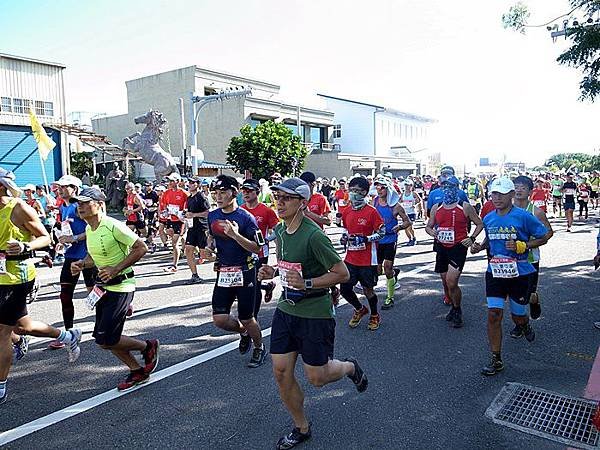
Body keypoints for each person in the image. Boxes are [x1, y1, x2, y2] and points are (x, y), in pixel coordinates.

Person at [257, 178, 367, 450]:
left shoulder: (314, 235)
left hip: (315, 313)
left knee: (317, 378)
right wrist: (272, 273)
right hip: (286, 310)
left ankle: (349, 367)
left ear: (302, 203)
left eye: (286, 198)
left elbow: (342, 274)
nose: (279, 203)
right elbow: (289, 267)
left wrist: (306, 284)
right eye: (277, 197)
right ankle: (301, 427)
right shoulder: (282, 231)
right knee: (281, 372)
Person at [0, 167, 82, 405]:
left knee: (3, 331)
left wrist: (26, 247)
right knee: (23, 327)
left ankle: (1, 386)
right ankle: (67, 336)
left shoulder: (18, 208)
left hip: (16, 276)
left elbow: (45, 237)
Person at [70, 187, 159, 390]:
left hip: (122, 286)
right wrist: (82, 264)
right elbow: (95, 257)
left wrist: (116, 268)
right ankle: (137, 370)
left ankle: (147, 347)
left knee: (107, 339)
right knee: (103, 340)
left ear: (99, 204)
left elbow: (141, 248)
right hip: (103, 287)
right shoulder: (89, 228)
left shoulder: (113, 226)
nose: (80, 206)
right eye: (79, 203)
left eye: (85, 202)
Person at [471, 177, 549, 376]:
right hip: (495, 272)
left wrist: (524, 245)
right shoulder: (488, 218)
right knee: (494, 314)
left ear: (511, 195)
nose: (495, 197)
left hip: (520, 273)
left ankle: (524, 324)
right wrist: (479, 247)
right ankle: (496, 359)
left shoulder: (524, 216)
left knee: (518, 316)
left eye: (500, 193)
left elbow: (544, 235)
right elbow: (489, 240)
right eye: (493, 193)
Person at [207, 175, 266, 368]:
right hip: (224, 272)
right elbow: (212, 236)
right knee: (220, 319)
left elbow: (257, 248)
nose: (218, 196)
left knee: (248, 317)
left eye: (223, 192)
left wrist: (235, 235)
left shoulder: (246, 218)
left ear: (234, 192)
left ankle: (259, 347)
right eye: (216, 193)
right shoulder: (212, 215)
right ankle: (243, 332)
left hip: (245, 270)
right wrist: (209, 247)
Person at [45, 175, 98, 349]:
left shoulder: (79, 207)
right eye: (58, 187)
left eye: (63, 187)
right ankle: (68, 334)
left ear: (74, 188)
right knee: (65, 295)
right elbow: (65, 228)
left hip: (87, 256)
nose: (59, 189)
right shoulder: (63, 207)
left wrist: (74, 238)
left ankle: (104, 323)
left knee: (93, 294)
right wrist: (61, 239)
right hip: (71, 256)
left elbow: (92, 229)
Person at [425, 176, 483, 328]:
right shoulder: (436, 207)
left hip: (458, 247)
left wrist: (471, 238)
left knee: (452, 281)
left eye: (451, 186)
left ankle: (457, 310)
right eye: (444, 186)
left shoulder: (465, 206)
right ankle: (453, 306)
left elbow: (479, 223)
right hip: (441, 247)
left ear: (457, 188)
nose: (447, 189)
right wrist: (432, 233)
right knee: (445, 281)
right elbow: (428, 226)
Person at [339, 177, 385, 330]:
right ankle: (359, 309)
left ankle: (374, 314)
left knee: (368, 290)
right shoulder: (347, 211)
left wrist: (365, 239)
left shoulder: (372, 212)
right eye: (351, 190)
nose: (353, 194)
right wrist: (344, 237)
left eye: (357, 191)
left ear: (365, 193)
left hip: (367, 259)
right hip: (350, 257)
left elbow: (382, 233)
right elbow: (346, 229)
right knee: (344, 288)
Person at [512, 176, 553, 321]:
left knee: (528, 294)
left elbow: (549, 232)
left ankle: (534, 301)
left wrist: (529, 244)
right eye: (516, 187)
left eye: (523, 188)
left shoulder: (536, 212)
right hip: (509, 258)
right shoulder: (505, 209)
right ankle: (521, 324)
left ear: (530, 191)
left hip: (530, 258)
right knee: (515, 293)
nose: (519, 190)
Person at [372, 176, 412, 309]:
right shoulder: (375, 202)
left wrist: (400, 227)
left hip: (390, 239)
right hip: (377, 240)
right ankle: (394, 273)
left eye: (382, 187)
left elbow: (408, 221)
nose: (379, 189)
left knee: (387, 267)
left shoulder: (396, 206)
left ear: (388, 189)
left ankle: (390, 297)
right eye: (377, 187)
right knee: (377, 271)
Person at [240, 178, 279, 309]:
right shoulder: (240, 210)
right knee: (244, 283)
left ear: (257, 192)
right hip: (243, 253)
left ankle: (253, 317)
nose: (246, 193)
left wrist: (267, 239)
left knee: (255, 286)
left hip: (260, 253)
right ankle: (267, 286)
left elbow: (278, 230)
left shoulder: (266, 211)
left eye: (249, 191)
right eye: (244, 191)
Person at [184, 177, 210, 284]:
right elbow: (189, 212)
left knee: (205, 255)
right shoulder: (189, 198)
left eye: (192, 183)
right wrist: (186, 214)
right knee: (188, 250)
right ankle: (194, 275)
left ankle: (223, 260)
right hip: (192, 228)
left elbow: (208, 212)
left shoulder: (201, 196)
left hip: (202, 227)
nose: (190, 185)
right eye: (189, 183)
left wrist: (194, 215)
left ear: (197, 184)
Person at [162, 173, 188, 273]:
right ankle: (184, 241)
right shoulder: (166, 192)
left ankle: (174, 265)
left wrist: (183, 212)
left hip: (180, 220)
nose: (170, 183)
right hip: (170, 219)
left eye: (172, 181)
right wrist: (165, 211)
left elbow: (189, 204)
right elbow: (165, 204)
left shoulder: (184, 193)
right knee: (171, 235)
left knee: (174, 243)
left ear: (177, 181)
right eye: (169, 181)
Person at [400, 181, 421, 245]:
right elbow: (399, 201)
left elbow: (419, 200)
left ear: (411, 186)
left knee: (410, 227)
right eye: (406, 185)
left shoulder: (414, 193)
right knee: (405, 228)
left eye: (409, 185)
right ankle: (410, 239)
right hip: (405, 213)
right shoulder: (402, 194)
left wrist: (415, 205)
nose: (407, 187)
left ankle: (413, 238)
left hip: (412, 212)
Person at [141, 182, 159, 253]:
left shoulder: (154, 194)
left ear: (151, 186)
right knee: (148, 226)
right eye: (146, 186)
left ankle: (152, 242)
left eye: (148, 186)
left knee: (151, 226)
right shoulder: (145, 193)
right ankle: (150, 240)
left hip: (153, 211)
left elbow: (157, 202)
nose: (147, 187)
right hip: (147, 211)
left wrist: (156, 210)